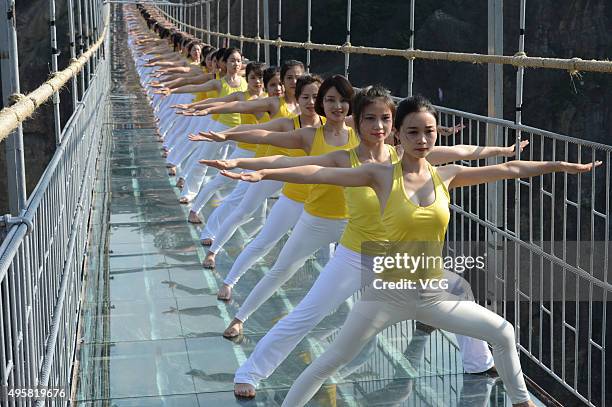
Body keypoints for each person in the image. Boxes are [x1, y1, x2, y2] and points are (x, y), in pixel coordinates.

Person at [228, 95, 598, 406]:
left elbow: (510, 168)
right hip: (386, 295)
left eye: (429, 132)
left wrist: (559, 166)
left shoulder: (447, 174)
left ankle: (521, 403)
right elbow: (315, 172)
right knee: (329, 362)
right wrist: (260, 172)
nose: (422, 139)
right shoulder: (379, 175)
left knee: (503, 332)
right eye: (413, 132)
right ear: (398, 136)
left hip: (433, 294)